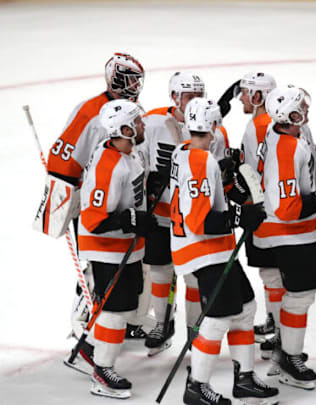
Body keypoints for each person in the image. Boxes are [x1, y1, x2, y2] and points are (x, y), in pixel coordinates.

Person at [34, 53, 146, 351]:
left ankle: (108, 326)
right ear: (117, 78)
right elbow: (63, 158)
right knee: (94, 268)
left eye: (138, 79)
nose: (137, 84)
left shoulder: (126, 111)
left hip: (120, 201)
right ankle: (83, 327)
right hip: (94, 203)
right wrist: (69, 199)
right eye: (131, 78)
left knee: (121, 271)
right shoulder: (93, 112)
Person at [170, 98, 277, 405]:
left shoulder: (184, 151)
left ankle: (244, 380)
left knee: (245, 308)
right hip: (204, 250)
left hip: (210, 248)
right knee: (217, 319)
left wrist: (222, 174)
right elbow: (201, 221)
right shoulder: (201, 161)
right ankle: (197, 387)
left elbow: (197, 198)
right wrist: (243, 216)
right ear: (214, 127)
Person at [254, 85, 316, 389]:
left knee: (296, 294)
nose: (306, 111)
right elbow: (287, 207)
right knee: (300, 295)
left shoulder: (280, 136)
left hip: (292, 233)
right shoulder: (287, 147)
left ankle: (285, 350)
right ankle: (288, 358)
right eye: (300, 108)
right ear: (289, 114)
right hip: (290, 234)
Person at [77, 99, 154, 399]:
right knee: (115, 309)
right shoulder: (108, 165)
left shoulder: (128, 153)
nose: (143, 125)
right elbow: (94, 219)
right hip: (107, 250)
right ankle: (102, 370)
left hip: (125, 247)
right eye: (137, 122)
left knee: (126, 303)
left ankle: (91, 346)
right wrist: (130, 219)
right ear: (123, 129)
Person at [140, 72, 210, 355]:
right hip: (160, 213)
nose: (195, 102)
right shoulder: (154, 122)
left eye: (199, 96)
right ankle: (163, 322)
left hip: (192, 218)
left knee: (193, 274)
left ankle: (194, 328)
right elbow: (138, 158)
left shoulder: (209, 121)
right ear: (175, 97)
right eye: (190, 96)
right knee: (160, 270)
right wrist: (146, 186)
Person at [219, 71, 282, 343]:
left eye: (245, 93)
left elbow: (259, 175)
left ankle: (280, 331)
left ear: (258, 97)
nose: (241, 98)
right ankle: (276, 323)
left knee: (272, 272)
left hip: (265, 213)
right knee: (271, 273)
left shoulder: (260, 126)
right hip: (267, 210)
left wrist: (238, 188)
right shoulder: (264, 123)